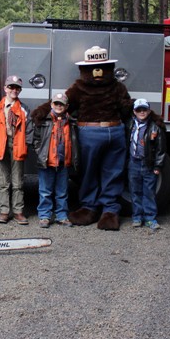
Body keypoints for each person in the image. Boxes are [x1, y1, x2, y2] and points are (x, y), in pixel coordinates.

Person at [66, 46, 133, 230]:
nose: (98, 72)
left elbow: (125, 107)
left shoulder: (117, 87)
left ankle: (110, 211)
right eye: (94, 68)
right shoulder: (79, 88)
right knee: (89, 172)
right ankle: (89, 207)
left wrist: (137, 107)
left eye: (102, 67)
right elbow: (65, 104)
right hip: (90, 133)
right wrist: (43, 111)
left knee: (113, 172)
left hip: (114, 131)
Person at [31, 93, 79, 228]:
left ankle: (62, 216)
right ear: (51, 104)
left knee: (62, 191)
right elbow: (36, 138)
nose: (59, 106)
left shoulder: (71, 122)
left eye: (61, 104)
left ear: (66, 106)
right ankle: (45, 215)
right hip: (47, 161)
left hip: (63, 162)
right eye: (56, 103)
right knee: (45, 191)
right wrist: (40, 152)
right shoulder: (44, 120)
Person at [0, 75, 31, 225]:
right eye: (11, 87)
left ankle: (18, 211)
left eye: (17, 88)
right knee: (3, 181)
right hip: (2, 145)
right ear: (5, 89)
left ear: (20, 90)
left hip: (18, 145)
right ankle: (3, 211)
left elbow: (29, 130)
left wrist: (26, 145)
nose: (13, 90)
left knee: (17, 181)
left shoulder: (24, 109)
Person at [128, 98, 166, 231]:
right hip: (133, 162)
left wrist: (158, 166)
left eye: (144, 110)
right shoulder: (130, 125)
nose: (142, 112)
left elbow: (161, 149)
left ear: (149, 111)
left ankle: (150, 218)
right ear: (134, 112)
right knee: (135, 191)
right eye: (139, 110)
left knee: (149, 192)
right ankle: (137, 217)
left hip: (148, 164)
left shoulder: (155, 127)